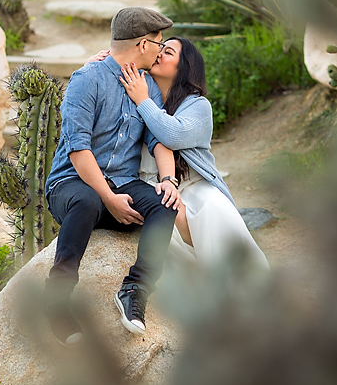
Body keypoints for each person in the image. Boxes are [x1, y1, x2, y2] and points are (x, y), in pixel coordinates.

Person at [44, 7, 182, 346]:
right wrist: (109, 199)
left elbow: (156, 139)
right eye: (158, 44)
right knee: (88, 199)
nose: (160, 51)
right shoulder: (86, 79)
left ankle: (135, 289)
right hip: (73, 185)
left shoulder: (146, 84)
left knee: (165, 205)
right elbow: (78, 150)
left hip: (123, 182)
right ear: (142, 45)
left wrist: (168, 180)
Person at [91, 36, 270, 275]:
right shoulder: (135, 90)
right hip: (145, 187)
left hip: (191, 185)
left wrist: (143, 100)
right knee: (163, 218)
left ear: (184, 67)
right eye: (159, 48)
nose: (159, 53)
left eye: (168, 52)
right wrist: (95, 65)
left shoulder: (198, 105)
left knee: (212, 209)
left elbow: (172, 135)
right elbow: (93, 100)